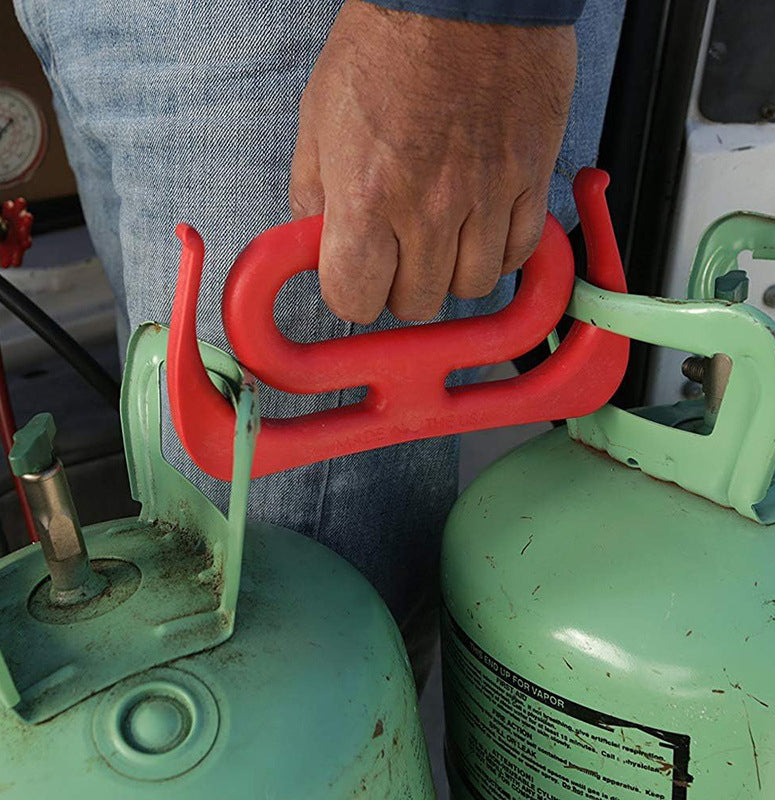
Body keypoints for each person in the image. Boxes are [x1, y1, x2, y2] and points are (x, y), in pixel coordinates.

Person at [14, 0, 625, 686]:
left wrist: (462, 27)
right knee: (180, 507)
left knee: (283, 657)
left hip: (335, 35)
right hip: (102, 27)